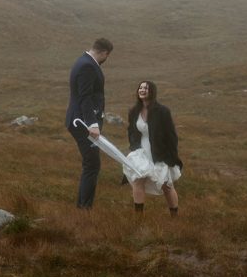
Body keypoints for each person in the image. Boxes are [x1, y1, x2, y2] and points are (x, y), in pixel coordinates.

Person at [65, 38, 113, 209]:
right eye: (107, 56)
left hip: (81, 121)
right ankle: (84, 209)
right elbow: (85, 97)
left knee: (91, 164)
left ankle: (82, 206)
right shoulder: (88, 66)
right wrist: (92, 124)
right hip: (82, 123)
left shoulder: (84, 61)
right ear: (104, 52)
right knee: (92, 165)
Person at [124, 80, 182, 216]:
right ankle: (138, 217)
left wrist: (172, 157)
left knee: (166, 185)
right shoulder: (134, 111)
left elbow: (171, 135)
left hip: (159, 152)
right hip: (141, 152)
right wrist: (134, 146)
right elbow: (131, 131)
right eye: (140, 88)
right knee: (138, 181)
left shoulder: (162, 111)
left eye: (146, 88)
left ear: (152, 91)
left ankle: (174, 216)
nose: (142, 90)